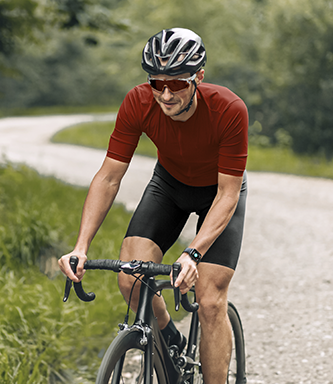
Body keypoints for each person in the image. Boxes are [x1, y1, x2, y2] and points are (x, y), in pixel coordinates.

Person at [58, 27, 248, 384]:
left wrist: (192, 254)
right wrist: (80, 247)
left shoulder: (229, 109)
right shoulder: (138, 102)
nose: (165, 93)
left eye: (176, 84)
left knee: (209, 301)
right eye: (156, 82)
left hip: (218, 193)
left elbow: (228, 194)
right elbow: (109, 177)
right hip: (170, 185)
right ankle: (171, 343)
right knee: (130, 278)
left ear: (198, 77)